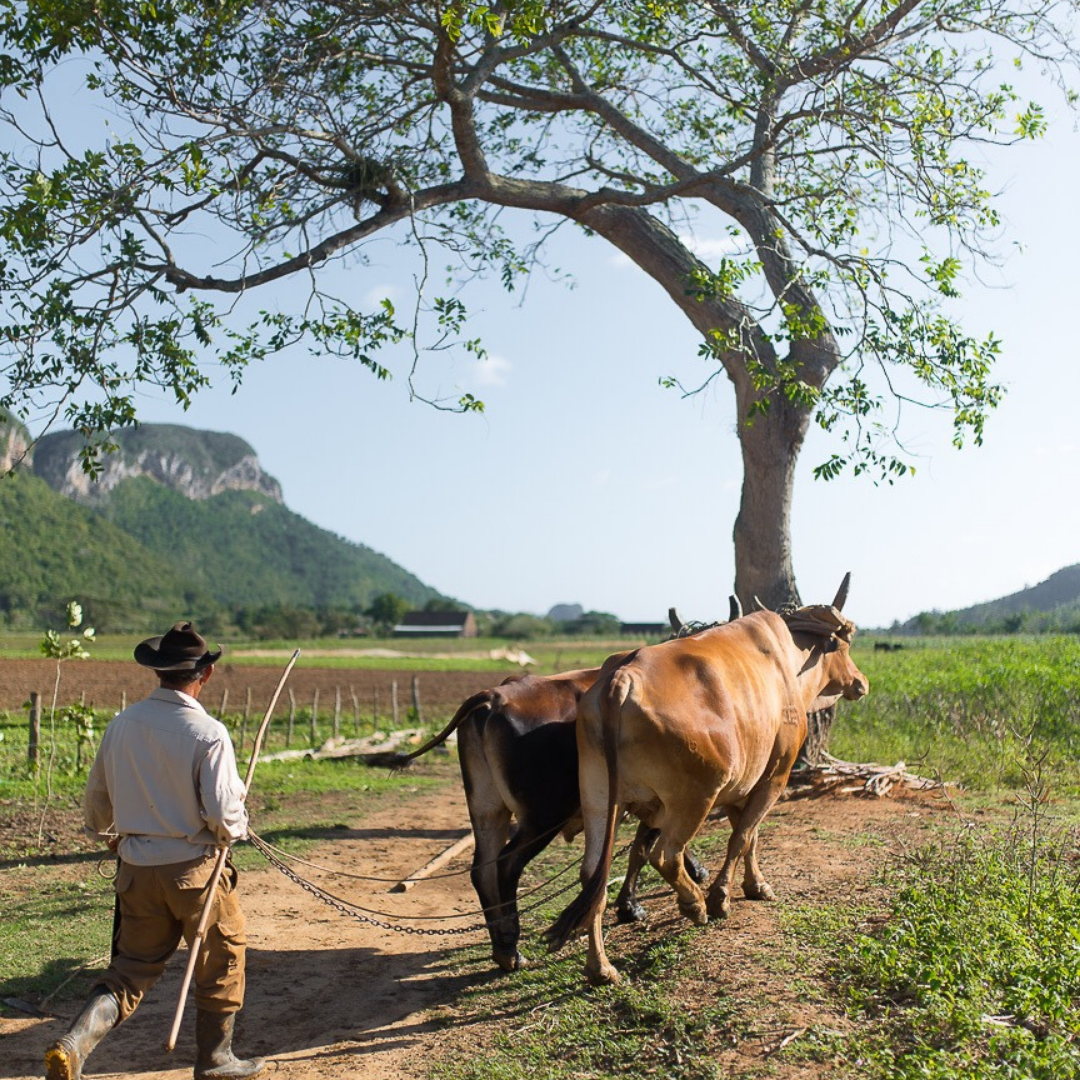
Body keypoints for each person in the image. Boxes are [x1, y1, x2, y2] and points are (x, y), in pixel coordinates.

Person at [45, 622, 264, 1080]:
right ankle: (216, 1059)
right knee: (222, 962)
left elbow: (97, 801)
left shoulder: (122, 724)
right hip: (196, 874)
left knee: (129, 970)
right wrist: (236, 828)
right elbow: (224, 815)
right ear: (204, 675)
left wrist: (116, 840)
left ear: (158, 672)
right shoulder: (208, 733)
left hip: (136, 868)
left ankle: (73, 1044)